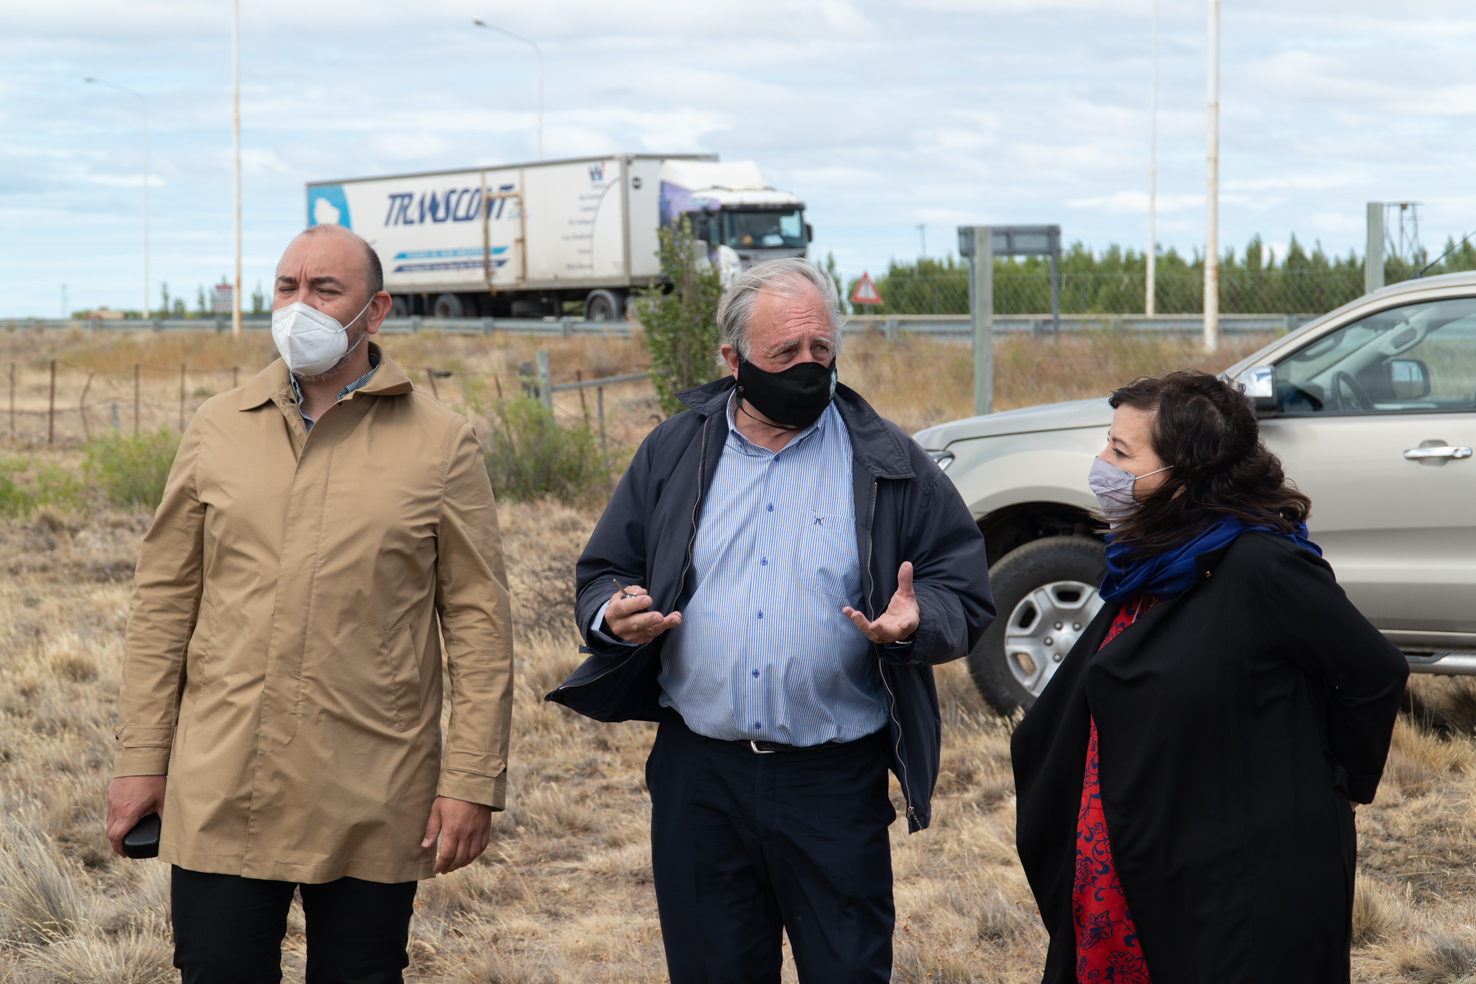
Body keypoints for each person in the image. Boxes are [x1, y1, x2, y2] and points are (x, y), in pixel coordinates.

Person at [548, 258, 994, 983]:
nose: (807, 366)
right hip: (701, 781)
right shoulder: (676, 449)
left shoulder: (888, 459)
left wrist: (919, 622)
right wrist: (611, 614)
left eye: (821, 349)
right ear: (732, 360)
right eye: (784, 353)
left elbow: (962, 589)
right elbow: (603, 572)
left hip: (832, 782)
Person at [106, 224, 515, 984]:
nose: (302, 306)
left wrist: (471, 780)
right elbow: (163, 605)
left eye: (326, 290)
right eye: (288, 288)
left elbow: (479, 625)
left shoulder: (441, 444)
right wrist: (140, 760)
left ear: (376, 309)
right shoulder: (217, 428)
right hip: (223, 781)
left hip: (375, 783)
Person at [1011, 370, 1409, 984]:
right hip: (1146, 857)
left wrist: (1341, 783)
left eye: (1121, 453)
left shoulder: (1260, 563)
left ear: (1184, 471)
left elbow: (1373, 671)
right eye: (1106, 445)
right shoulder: (1154, 556)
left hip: (1233, 876)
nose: (1102, 466)